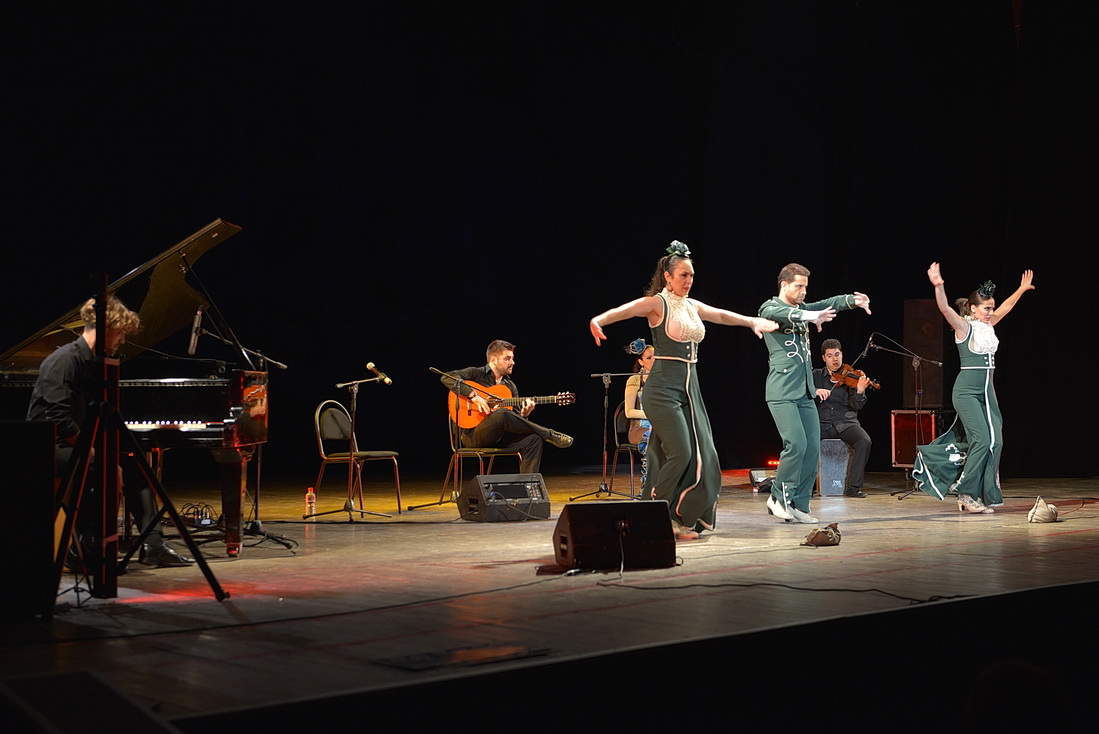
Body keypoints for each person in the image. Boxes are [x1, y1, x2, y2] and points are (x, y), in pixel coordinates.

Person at [589, 241, 779, 540]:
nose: (688, 281)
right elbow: (626, 309)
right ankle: (654, 513)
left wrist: (751, 321)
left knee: (705, 456)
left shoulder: (692, 306)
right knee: (681, 453)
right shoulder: (657, 304)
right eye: (683, 275)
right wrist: (599, 320)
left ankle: (680, 516)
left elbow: (721, 315)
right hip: (662, 390)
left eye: (691, 275)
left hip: (690, 390)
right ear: (668, 276)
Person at [26, 295, 193, 567]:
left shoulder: (96, 363)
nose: (123, 340)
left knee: (135, 463)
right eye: (120, 332)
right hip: (47, 447)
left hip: (73, 445)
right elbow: (58, 418)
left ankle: (153, 545)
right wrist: (91, 450)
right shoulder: (64, 360)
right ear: (107, 327)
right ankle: (86, 547)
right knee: (102, 466)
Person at [912, 265, 1035, 513]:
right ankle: (966, 494)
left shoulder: (988, 325)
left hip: (987, 393)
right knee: (982, 439)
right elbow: (945, 309)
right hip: (967, 392)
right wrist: (939, 286)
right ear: (972, 309)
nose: (991, 312)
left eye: (991, 307)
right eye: (986, 308)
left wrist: (1021, 289)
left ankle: (982, 493)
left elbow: (1007, 307)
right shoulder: (964, 328)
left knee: (995, 442)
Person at [759, 263, 872, 523]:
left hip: (805, 392)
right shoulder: (769, 308)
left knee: (811, 448)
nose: (803, 292)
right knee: (796, 445)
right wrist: (810, 316)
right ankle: (778, 497)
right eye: (798, 286)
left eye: (805, 287)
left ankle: (799, 504)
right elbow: (783, 314)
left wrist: (851, 300)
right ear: (784, 285)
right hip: (782, 391)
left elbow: (825, 304)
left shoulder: (802, 308)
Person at [439, 339, 573, 475]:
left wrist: (524, 414)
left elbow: (514, 422)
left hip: (500, 438)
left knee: (534, 440)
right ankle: (549, 434)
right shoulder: (476, 374)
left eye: (512, 358)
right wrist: (473, 396)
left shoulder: (510, 386)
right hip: (472, 436)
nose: (513, 362)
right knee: (502, 413)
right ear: (493, 360)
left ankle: (528, 485)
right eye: (507, 358)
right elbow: (447, 378)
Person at [813, 338, 872, 498]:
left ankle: (853, 488)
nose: (835, 359)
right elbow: (803, 393)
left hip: (846, 423)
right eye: (830, 356)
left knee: (864, 441)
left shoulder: (852, 376)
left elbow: (856, 406)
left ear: (842, 355)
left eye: (837, 354)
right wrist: (816, 391)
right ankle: (808, 486)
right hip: (821, 424)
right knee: (803, 443)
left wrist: (860, 391)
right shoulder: (815, 376)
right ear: (824, 358)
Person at [623, 338, 654, 490]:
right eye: (649, 358)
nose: (654, 360)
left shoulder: (664, 380)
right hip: (639, 428)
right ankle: (647, 486)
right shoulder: (635, 380)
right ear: (641, 362)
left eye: (656, 357)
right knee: (653, 433)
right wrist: (653, 414)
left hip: (660, 425)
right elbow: (629, 412)